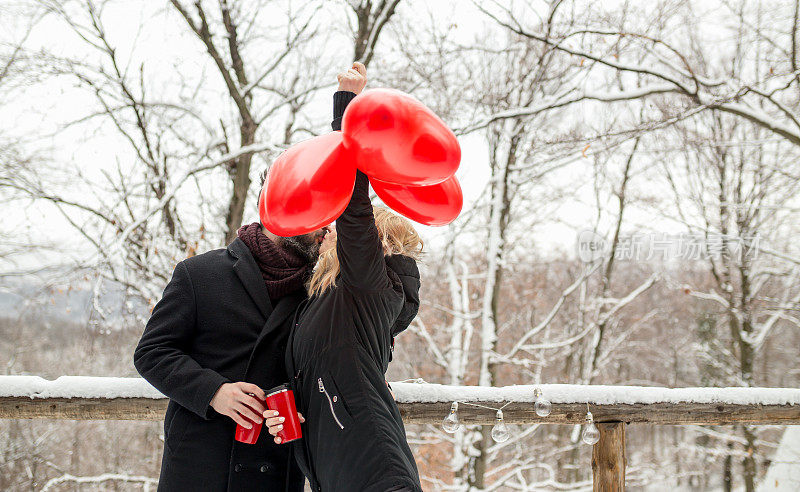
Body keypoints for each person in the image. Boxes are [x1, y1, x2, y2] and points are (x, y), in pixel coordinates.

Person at [133, 132, 340, 488]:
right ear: (286, 208)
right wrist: (215, 392)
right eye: (320, 217)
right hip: (201, 466)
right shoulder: (199, 274)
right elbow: (151, 353)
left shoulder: (319, 290)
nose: (327, 229)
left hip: (277, 469)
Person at [266, 63, 425, 492]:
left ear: (376, 243)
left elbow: (353, 201)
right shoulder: (333, 300)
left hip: (373, 465)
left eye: (343, 227)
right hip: (332, 465)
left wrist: (346, 107)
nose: (331, 227)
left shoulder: (368, 288)